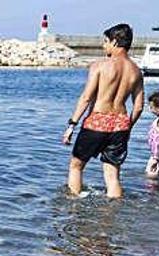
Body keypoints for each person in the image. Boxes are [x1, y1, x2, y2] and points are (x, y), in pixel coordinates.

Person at [62, 23, 144, 198]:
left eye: (106, 41)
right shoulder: (136, 72)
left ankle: (73, 205)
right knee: (112, 175)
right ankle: (112, 215)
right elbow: (138, 107)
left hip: (97, 122)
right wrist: (128, 127)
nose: (103, 45)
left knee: (76, 166)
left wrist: (72, 125)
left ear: (115, 42)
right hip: (120, 125)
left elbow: (86, 98)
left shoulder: (99, 66)